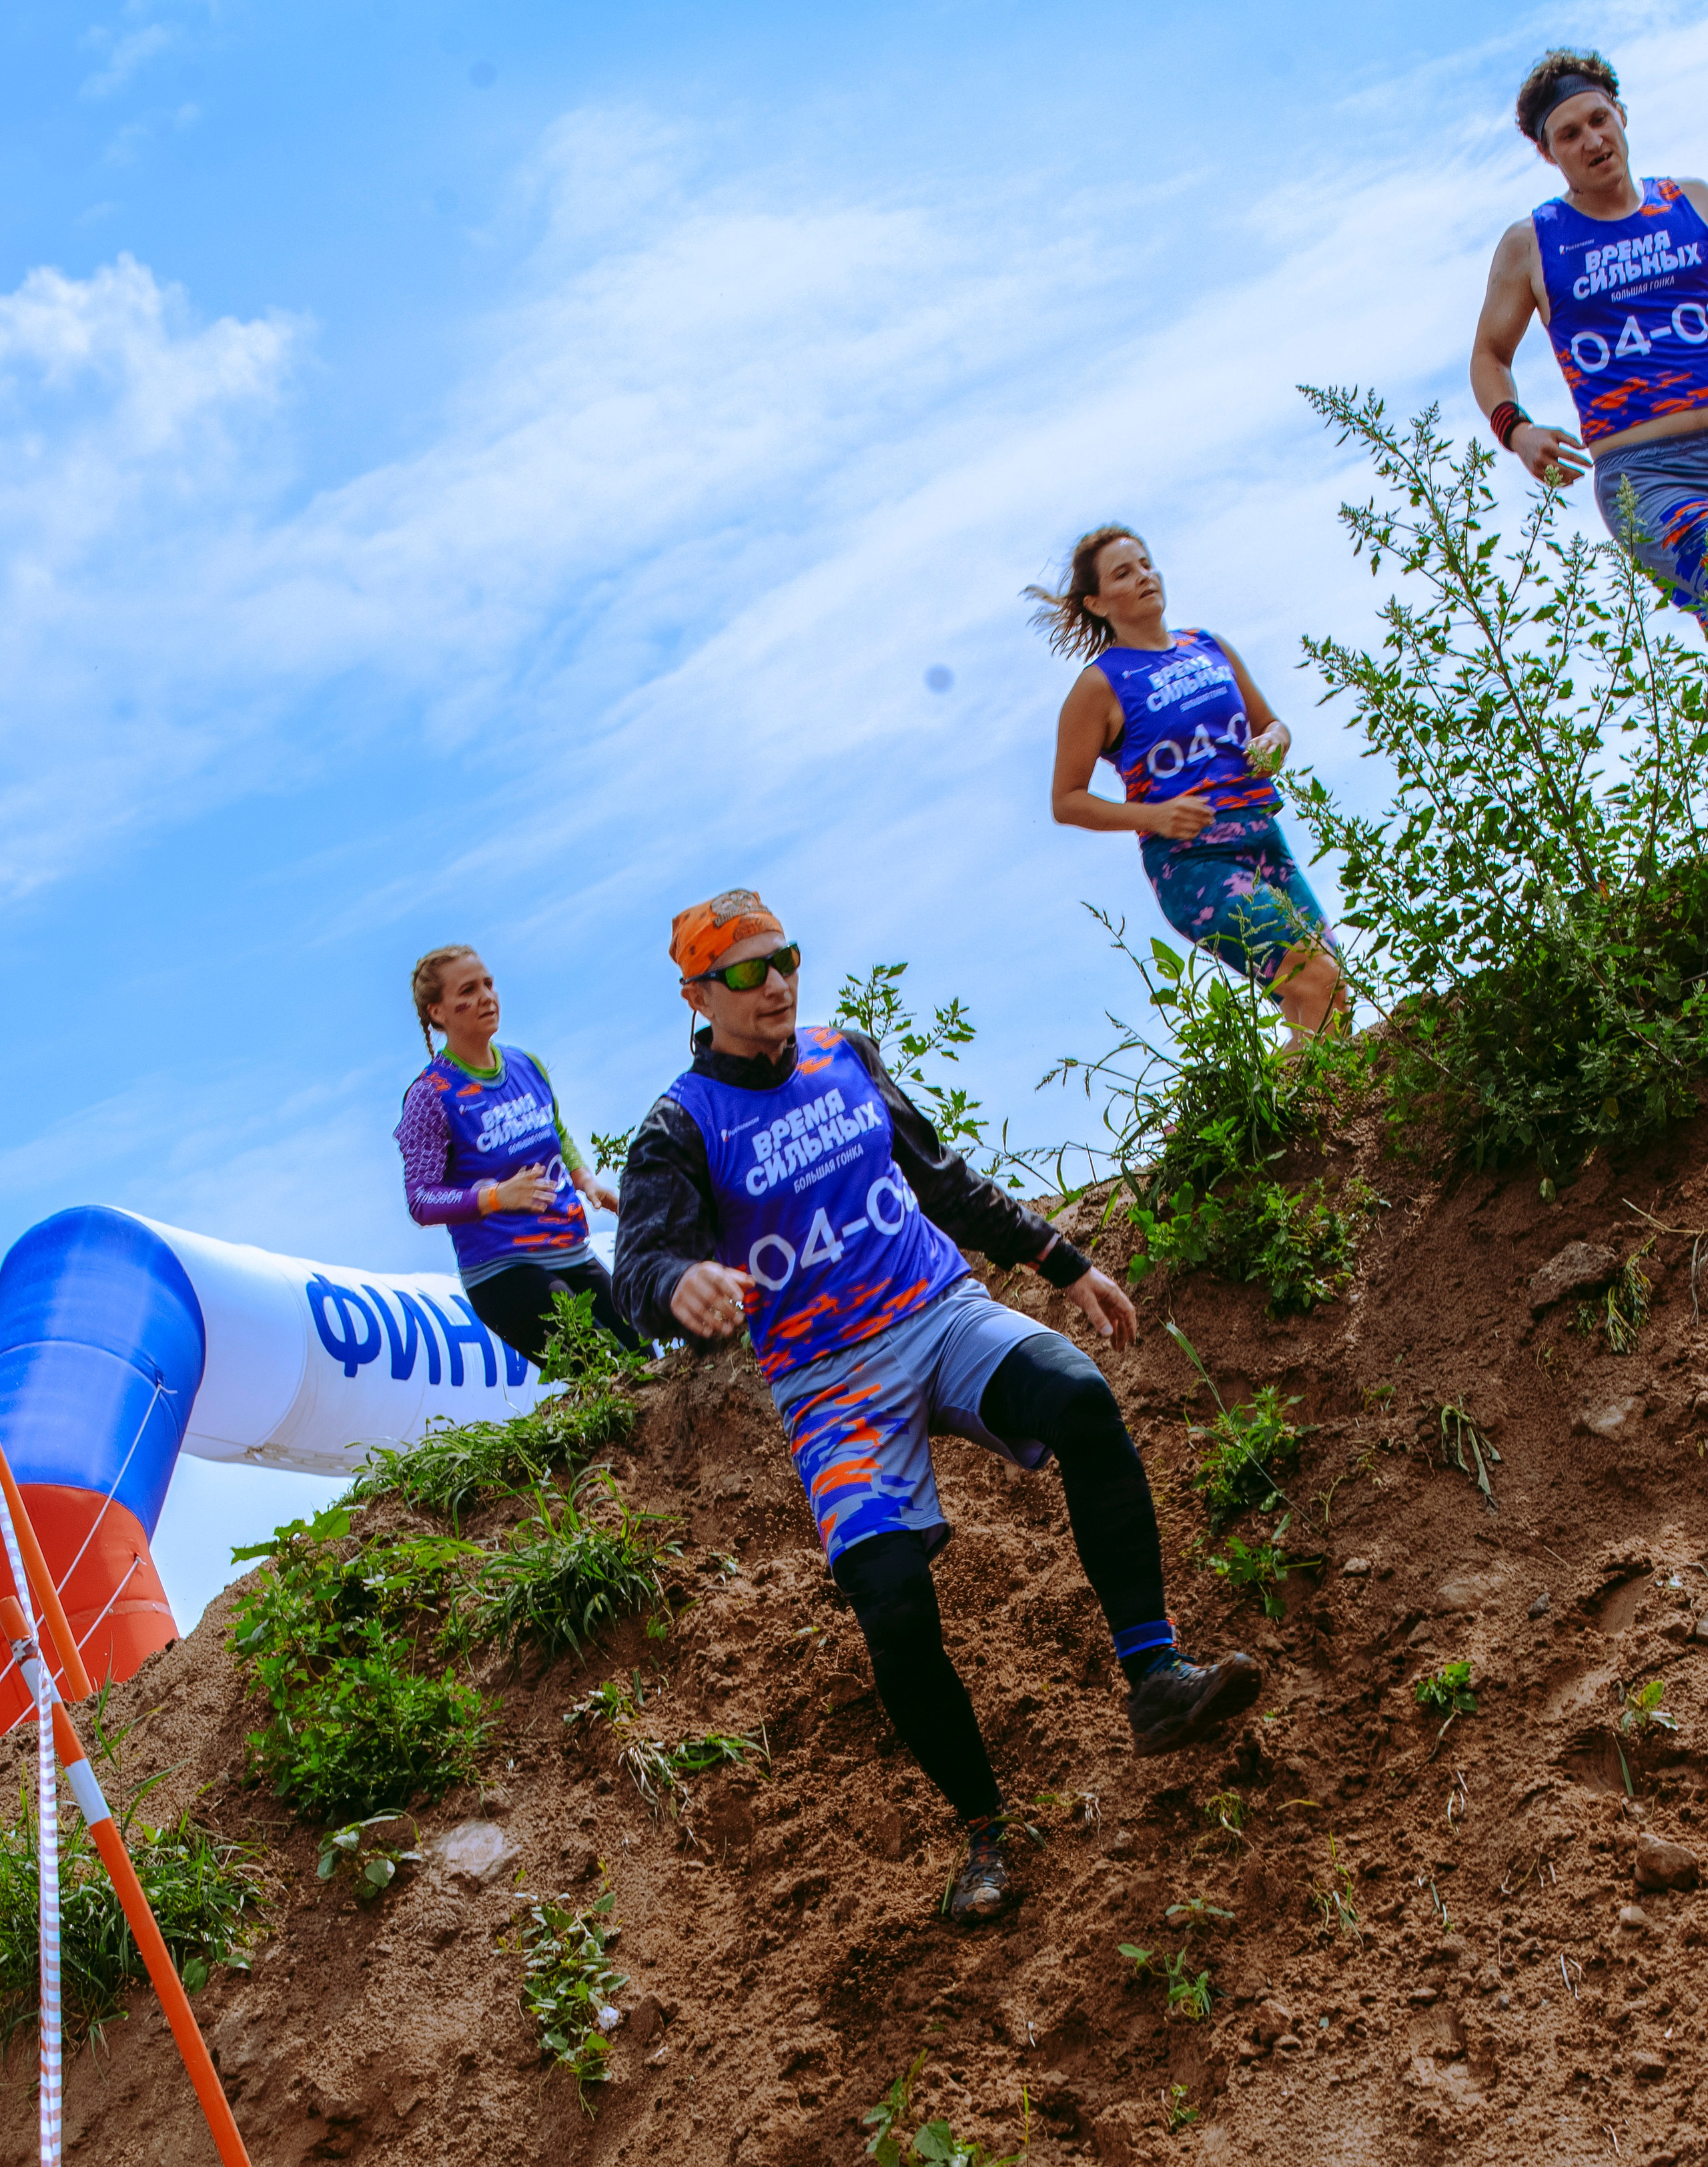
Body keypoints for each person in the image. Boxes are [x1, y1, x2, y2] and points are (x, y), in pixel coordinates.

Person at [611, 888, 1261, 1926]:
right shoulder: (679, 1128)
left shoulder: (844, 1057)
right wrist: (675, 1285)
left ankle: (1157, 1678)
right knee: (894, 1604)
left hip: (936, 1310)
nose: (773, 984)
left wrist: (1063, 1261)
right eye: (744, 972)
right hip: (830, 1385)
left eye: (785, 960)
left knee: (1080, 1398)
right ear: (697, 993)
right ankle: (985, 1833)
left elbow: (941, 1180)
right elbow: (638, 1263)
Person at [1031, 526, 1345, 1050]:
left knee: (1327, 997)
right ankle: (1245, 1123)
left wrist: (1274, 742)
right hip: (1193, 860)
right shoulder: (1101, 684)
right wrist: (1153, 817)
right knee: (1316, 977)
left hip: (1264, 837)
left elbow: (1273, 723)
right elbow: (1066, 800)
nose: (1144, 577)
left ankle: (1269, 1127)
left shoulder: (1208, 646)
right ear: (1097, 602)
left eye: (1147, 564)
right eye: (1123, 573)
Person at [1469, 49, 1708, 633]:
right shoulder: (1533, 243)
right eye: (1569, 134)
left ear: (1621, 116)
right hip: (1646, 476)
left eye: (1599, 120)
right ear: (1549, 153)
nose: (1592, 140)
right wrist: (1517, 431)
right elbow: (1489, 356)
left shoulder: (1694, 201)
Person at [394, 943, 640, 1365]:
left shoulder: (526, 1064)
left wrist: (587, 1181)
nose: (487, 996)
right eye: (468, 990)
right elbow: (421, 1200)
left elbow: (556, 1131)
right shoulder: (430, 1096)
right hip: (502, 1272)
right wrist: (496, 1198)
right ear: (438, 1013)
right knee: (609, 1369)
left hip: (572, 1250)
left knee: (646, 1356)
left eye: (489, 984)